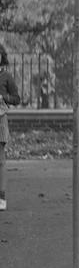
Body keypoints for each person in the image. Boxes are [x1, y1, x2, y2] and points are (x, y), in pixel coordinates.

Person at [0, 45, 21, 212]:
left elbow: (16, 98)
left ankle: (1, 198)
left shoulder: (6, 76)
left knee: (0, 162)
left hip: (0, 120)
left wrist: (3, 97)